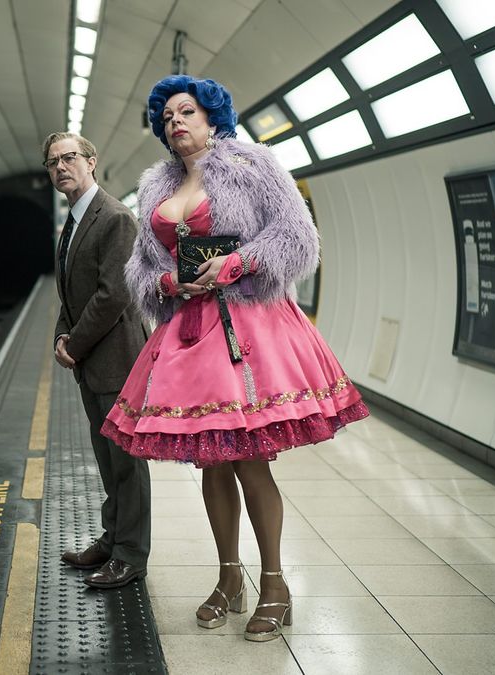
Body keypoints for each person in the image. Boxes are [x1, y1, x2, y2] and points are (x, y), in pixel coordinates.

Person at [99, 76, 370, 640]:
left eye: (187, 111)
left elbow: (299, 238)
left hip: (247, 327)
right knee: (212, 461)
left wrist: (237, 264)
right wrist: (168, 281)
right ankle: (229, 579)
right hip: (187, 331)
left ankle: (276, 584)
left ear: (211, 116)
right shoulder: (155, 187)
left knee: (251, 460)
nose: (176, 122)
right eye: (167, 116)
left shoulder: (255, 165)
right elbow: (141, 270)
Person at [45, 131, 152, 589]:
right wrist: (61, 334)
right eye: (52, 162)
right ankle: (112, 540)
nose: (61, 167)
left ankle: (131, 554)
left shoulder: (114, 218)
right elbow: (72, 291)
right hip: (95, 362)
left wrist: (75, 344)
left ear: (92, 161)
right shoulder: (73, 221)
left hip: (117, 359)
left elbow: (113, 295)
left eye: (70, 157)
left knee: (127, 462)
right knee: (107, 460)